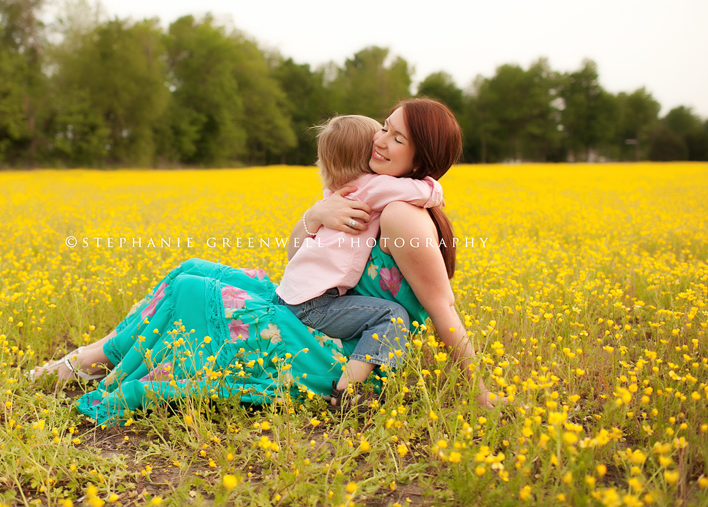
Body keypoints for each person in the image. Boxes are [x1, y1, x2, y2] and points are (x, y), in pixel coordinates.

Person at [30, 98, 496, 423]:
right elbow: (299, 257)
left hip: (349, 360)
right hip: (322, 318)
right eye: (384, 128)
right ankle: (101, 356)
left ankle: (89, 364)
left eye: (398, 138)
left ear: (422, 156)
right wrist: (314, 216)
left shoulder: (401, 214)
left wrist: (477, 392)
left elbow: (442, 308)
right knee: (192, 270)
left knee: (194, 293)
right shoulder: (374, 197)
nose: (381, 141)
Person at [276, 114, 444, 409]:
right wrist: (436, 191)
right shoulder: (369, 187)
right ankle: (345, 394)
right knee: (391, 317)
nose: (381, 142)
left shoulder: (334, 191)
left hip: (296, 294)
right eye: (377, 136)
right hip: (315, 302)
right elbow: (421, 191)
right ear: (365, 155)